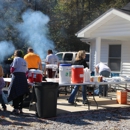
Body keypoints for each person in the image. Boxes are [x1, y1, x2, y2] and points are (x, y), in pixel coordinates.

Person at [8, 50, 29, 114]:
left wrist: (11, 72)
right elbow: (26, 72)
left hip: (16, 76)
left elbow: (12, 69)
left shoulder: (16, 59)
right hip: (23, 77)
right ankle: (20, 109)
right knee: (21, 93)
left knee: (15, 92)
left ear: (16, 54)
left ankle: (16, 109)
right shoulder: (24, 60)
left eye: (14, 53)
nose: (14, 55)